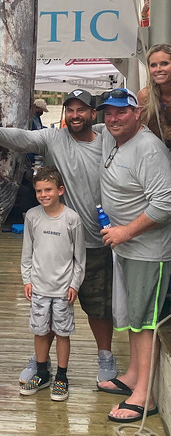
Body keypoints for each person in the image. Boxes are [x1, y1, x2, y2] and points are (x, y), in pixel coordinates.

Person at [0, 89, 117, 384]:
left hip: (98, 241)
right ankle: (40, 362)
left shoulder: (108, 141)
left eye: (81, 110)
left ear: (92, 113)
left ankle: (105, 356)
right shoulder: (52, 138)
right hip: (56, 246)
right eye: (70, 110)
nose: (75, 115)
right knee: (49, 306)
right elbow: (23, 138)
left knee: (99, 307)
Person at [94, 88, 171, 423]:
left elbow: (165, 204)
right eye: (108, 113)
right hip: (125, 248)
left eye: (121, 112)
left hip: (147, 250)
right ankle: (133, 377)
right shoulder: (112, 138)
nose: (113, 118)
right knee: (133, 316)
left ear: (138, 113)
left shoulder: (149, 148)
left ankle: (145, 396)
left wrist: (125, 231)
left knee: (145, 321)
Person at [19, 167, 85, 401]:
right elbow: (27, 252)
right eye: (39, 191)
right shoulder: (33, 216)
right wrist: (27, 279)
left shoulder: (72, 219)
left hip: (63, 289)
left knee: (62, 332)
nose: (43, 194)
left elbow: (79, 258)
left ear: (60, 190)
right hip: (39, 287)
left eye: (48, 189)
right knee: (39, 331)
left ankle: (62, 377)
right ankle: (42, 373)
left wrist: (74, 284)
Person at [137, 43, 171, 151]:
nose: (158, 69)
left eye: (164, 63)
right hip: (157, 156)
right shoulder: (145, 96)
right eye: (153, 65)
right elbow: (142, 133)